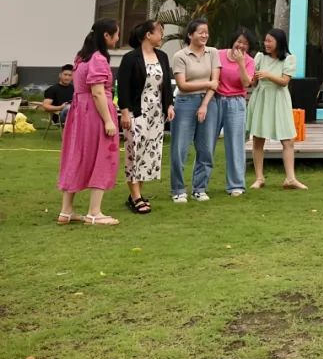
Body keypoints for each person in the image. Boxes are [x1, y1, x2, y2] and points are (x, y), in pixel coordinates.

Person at [56, 19, 122, 226]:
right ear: (106, 36)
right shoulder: (98, 59)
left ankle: (66, 211)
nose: (118, 38)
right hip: (94, 113)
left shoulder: (80, 57)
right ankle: (94, 212)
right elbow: (98, 92)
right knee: (103, 156)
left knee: (76, 155)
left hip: (79, 113)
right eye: (116, 34)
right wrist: (109, 120)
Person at [117, 20, 175, 215]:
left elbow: (166, 83)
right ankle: (135, 197)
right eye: (160, 32)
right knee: (135, 153)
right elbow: (123, 86)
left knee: (149, 154)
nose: (162, 36)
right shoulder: (130, 58)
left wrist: (169, 104)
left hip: (156, 114)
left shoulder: (163, 57)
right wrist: (124, 111)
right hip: (136, 112)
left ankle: (136, 194)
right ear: (148, 35)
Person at [247, 29, 308, 190]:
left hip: (279, 99)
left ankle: (290, 178)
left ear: (279, 43)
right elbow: (252, 82)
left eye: (270, 41)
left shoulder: (289, 59)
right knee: (258, 139)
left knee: (288, 140)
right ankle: (259, 177)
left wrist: (267, 75)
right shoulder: (260, 57)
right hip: (262, 98)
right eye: (265, 41)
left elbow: (284, 81)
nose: (266, 44)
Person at [170, 18, 221, 204]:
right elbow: (183, 85)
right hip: (184, 103)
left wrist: (205, 105)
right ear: (190, 34)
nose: (204, 35)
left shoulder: (213, 53)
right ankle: (178, 189)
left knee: (206, 147)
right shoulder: (180, 56)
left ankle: (200, 188)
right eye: (200, 32)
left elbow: (216, 83)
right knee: (180, 148)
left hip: (208, 102)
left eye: (206, 32)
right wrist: (207, 83)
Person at [213, 28, 256, 196]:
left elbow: (246, 83)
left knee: (235, 144)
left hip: (236, 103)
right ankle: (199, 185)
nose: (241, 45)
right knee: (206, 143)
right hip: (216, 100)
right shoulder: (218, 54)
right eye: (239, 41)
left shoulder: (249, 61)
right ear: (232, 40)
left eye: (245, 43)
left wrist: (240, 63)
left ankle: (236, 185)